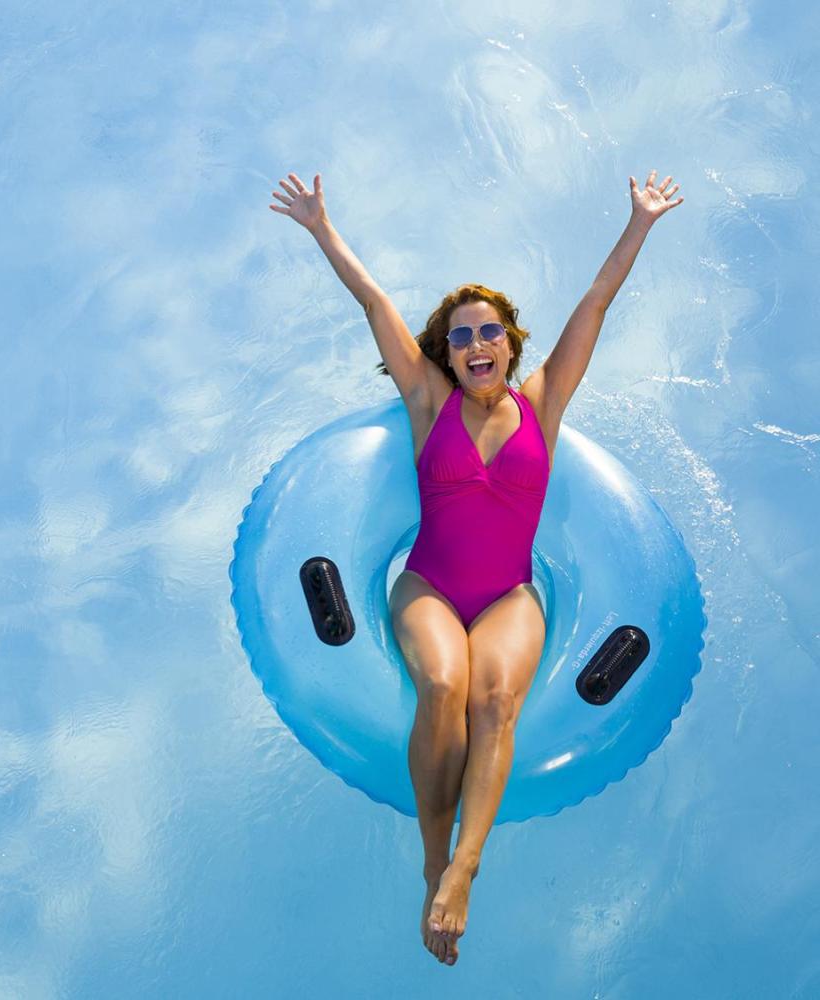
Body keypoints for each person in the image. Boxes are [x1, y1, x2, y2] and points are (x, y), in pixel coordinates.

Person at [268, 169, 683, 966]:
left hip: (511, 597)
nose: (475, 345)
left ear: (510, 343)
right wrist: (322, 228)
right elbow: (375, 305)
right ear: (447, 354)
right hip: (428, 584)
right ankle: (433, 857)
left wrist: (640, 222)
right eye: (459, 336)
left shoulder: (543, 401)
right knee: (446, 686)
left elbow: (596, 302)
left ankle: (466, 865)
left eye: (487, 331)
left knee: (495, 700)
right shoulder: (429, 404)